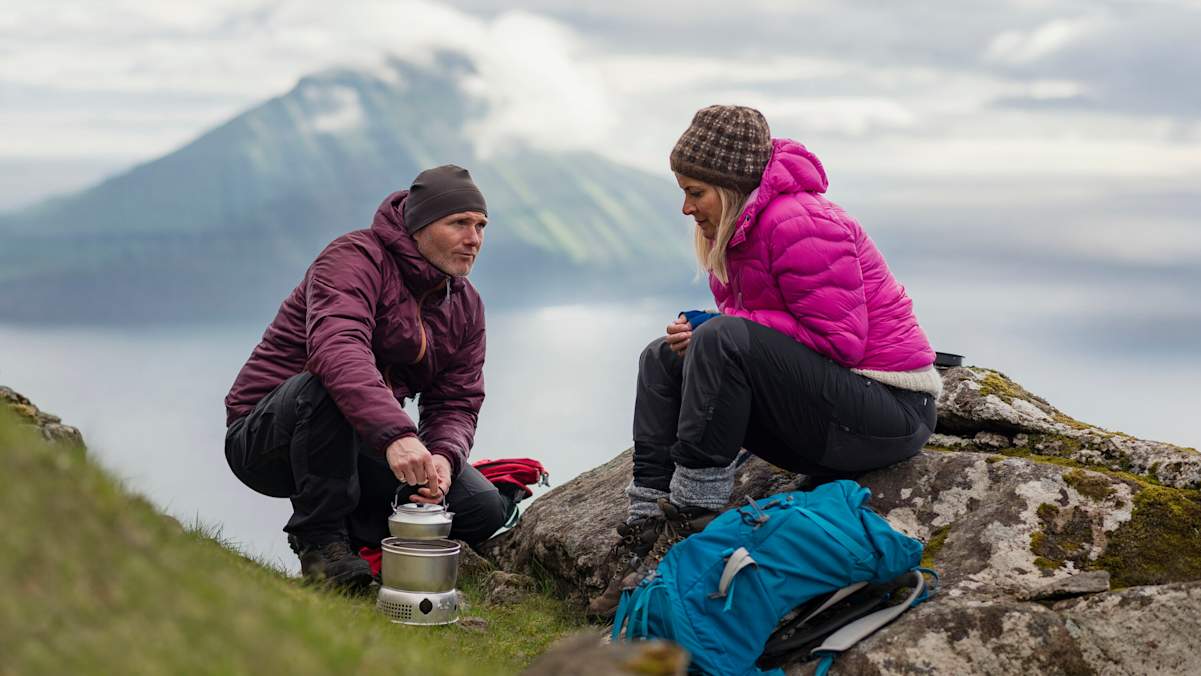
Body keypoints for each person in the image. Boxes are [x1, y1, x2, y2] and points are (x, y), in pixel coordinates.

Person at [588, 106, 942, 616]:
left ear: (730, 187)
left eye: (695, 192)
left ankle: (693, 524)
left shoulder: (800, 222)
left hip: (888, 412)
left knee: (721, 336)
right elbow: (755, 335)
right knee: (664, 357)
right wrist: (710, 331)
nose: (686, 208)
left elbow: (839, 341)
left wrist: (720, 329)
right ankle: (647, 523)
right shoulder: (735, 232)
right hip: (828, 415)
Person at [224, 165, 508, 592]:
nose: (474, 239)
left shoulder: (465, 306)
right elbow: (337, 349)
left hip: (361, 440)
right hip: (269, 436)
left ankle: (367, 544)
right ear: (420, 224)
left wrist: (444, 459)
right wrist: (397, 435)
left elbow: (456, 401)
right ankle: (322, 545)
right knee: (323, 385)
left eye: (481, 225)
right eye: (459, 224)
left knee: (480, 509)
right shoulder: (353, 258)